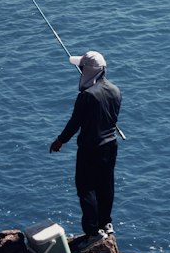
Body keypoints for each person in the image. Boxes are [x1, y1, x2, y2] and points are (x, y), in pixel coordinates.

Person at [49, 51, 121, 242]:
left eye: (82, 68)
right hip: (110, 145)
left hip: (91, 148)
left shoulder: (87, 96)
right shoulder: (115, 90)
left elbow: (75, 123)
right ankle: (106, 223)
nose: (80, 71)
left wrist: (60, 141)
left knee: (86, 188)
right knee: (106, 185)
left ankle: (92, 233)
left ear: (89, 71)